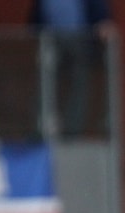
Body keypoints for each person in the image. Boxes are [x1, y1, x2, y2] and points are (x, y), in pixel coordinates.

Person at [29, 0, 114, 137]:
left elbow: (99, 12)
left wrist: (102, 20)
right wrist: (34, 38)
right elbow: (36, 16)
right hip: (49, 41)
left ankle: (72, 131)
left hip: (80, 39)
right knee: (46, 83)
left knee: (78, 84)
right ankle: (41, 128)